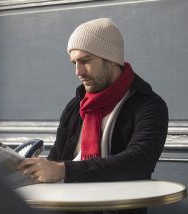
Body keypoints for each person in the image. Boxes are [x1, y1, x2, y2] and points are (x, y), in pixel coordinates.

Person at [18, 18, 169, 214]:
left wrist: (63, 170)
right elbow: (57, 159)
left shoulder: (148, 106)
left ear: (112, 59)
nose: (78, 71)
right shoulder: (75, 106)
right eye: (74, 63)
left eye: (86, 61)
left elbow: (139, 161)